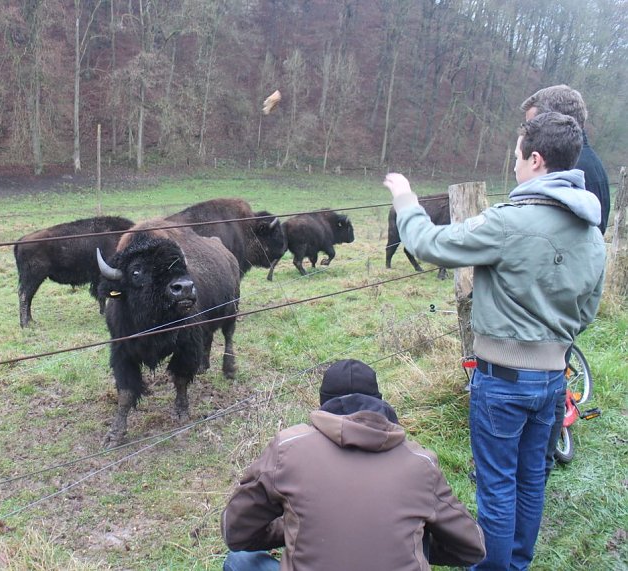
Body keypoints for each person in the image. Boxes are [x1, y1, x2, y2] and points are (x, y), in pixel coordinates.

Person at [383, 111, 606, 570]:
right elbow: (587, 310)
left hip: (502, 382)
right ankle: (516, 563)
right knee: (531, 480)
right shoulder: (592, 231)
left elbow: (428, 244)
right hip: (552, 378)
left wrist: (404, 198)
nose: (514, 165)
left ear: (537, 160)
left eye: (517, 156)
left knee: (498, 486)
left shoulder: (508, 222)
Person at [220, 359, 486, 571]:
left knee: (240, 561)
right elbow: (472, 547)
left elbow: (236, 531)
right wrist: (417, 541)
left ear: (322, 403)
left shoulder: (287, 448)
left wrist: (290, 529)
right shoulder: (420, 462)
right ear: (379, 402)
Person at [520, 84, 611, 480]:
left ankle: (537, 453)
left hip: (546, 313)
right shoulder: (590, 166)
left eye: (533, 125)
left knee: (544, 380)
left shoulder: (576, 176)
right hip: (565, 306)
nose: (526, 137)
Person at [521, 85, 610, 235]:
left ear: (554, 121)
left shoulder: (570, 171)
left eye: (531, 124)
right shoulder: (586, 162)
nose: (526, 132)